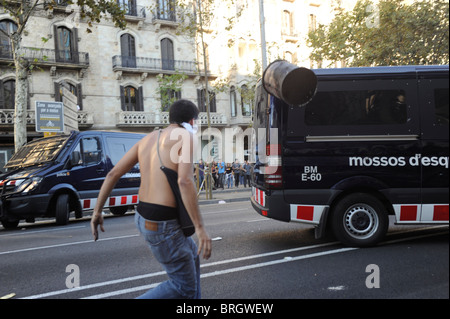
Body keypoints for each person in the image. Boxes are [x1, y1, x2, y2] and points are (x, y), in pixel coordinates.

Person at [90, 99, 212, 299]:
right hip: (163, 224)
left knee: (193, 253)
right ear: (191, 121)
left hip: (143, 217)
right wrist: (200, 228)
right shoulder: (185, 136)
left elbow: (112, 174)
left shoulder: (148, 139)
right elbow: (184, 181)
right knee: (183, 288)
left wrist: (97, 212)